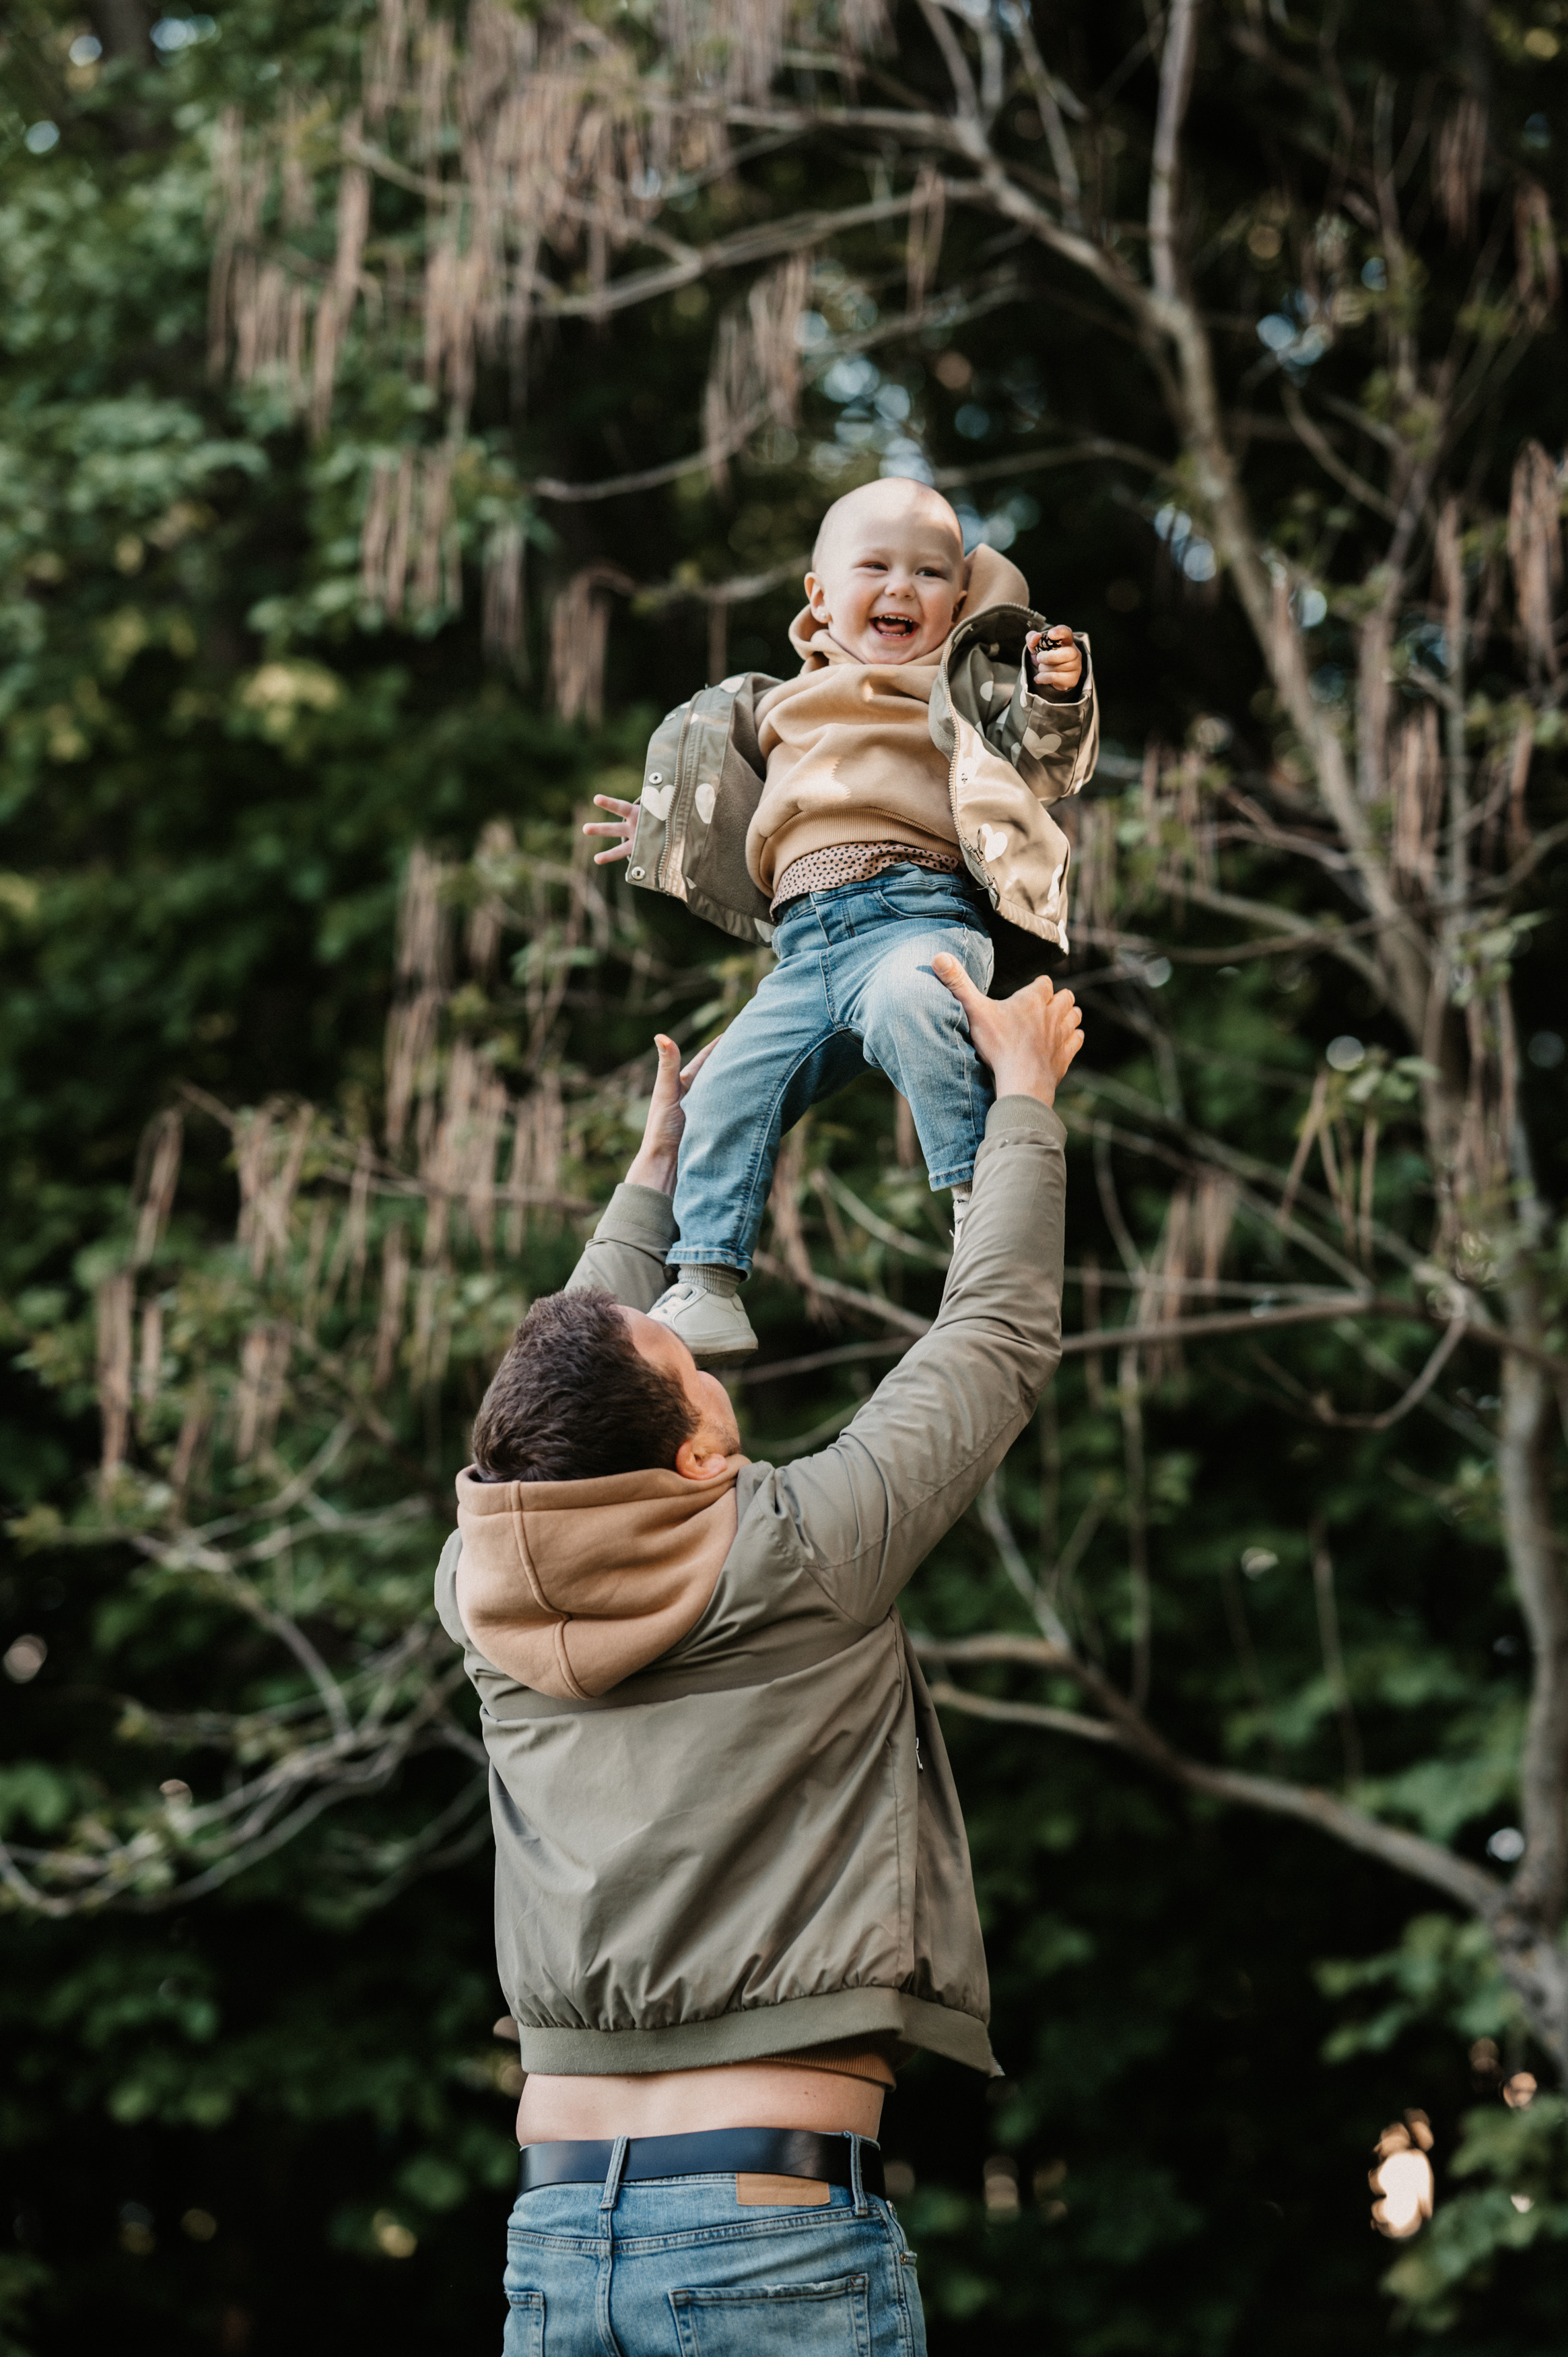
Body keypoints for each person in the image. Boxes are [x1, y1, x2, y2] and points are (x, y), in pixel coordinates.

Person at [435, 959, 1083, 2357]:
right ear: (694, 1452)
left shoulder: (480, 1588)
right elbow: (995, 1334)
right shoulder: (797, 1549)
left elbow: (549, 1411)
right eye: (687, 1363)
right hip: (767, 2241)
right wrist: (1022, 1100)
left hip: (551, 2248)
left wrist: (658, 1175)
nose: (692, 1340)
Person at [582, 475, 1097, 1363]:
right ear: (820, 597)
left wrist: (1057, 690)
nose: (903, 588)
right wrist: (665, 830)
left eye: (931, 575)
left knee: (914, 1008)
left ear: (960, 601)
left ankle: (976, 1198)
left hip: (914, 914)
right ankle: (706, 1282)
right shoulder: (775, 704)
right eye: (876, 566)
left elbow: (1048, 762)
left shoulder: (955, 683)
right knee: (722, 1092)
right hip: (803, 945)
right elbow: (742, 808)